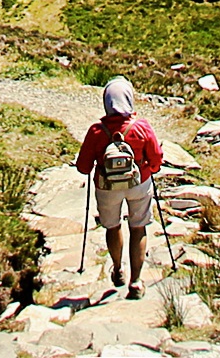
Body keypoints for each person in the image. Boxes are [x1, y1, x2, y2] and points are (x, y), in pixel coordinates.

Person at [75, 77, 168, 299]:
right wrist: (150, 169)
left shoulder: (97, 131)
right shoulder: (142, 127)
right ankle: (136, 282)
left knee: (112, 226)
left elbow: (83, 167)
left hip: (107, 187)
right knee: (138, 228)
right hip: (138, 183)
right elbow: (156, 159)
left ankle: (117, 269)